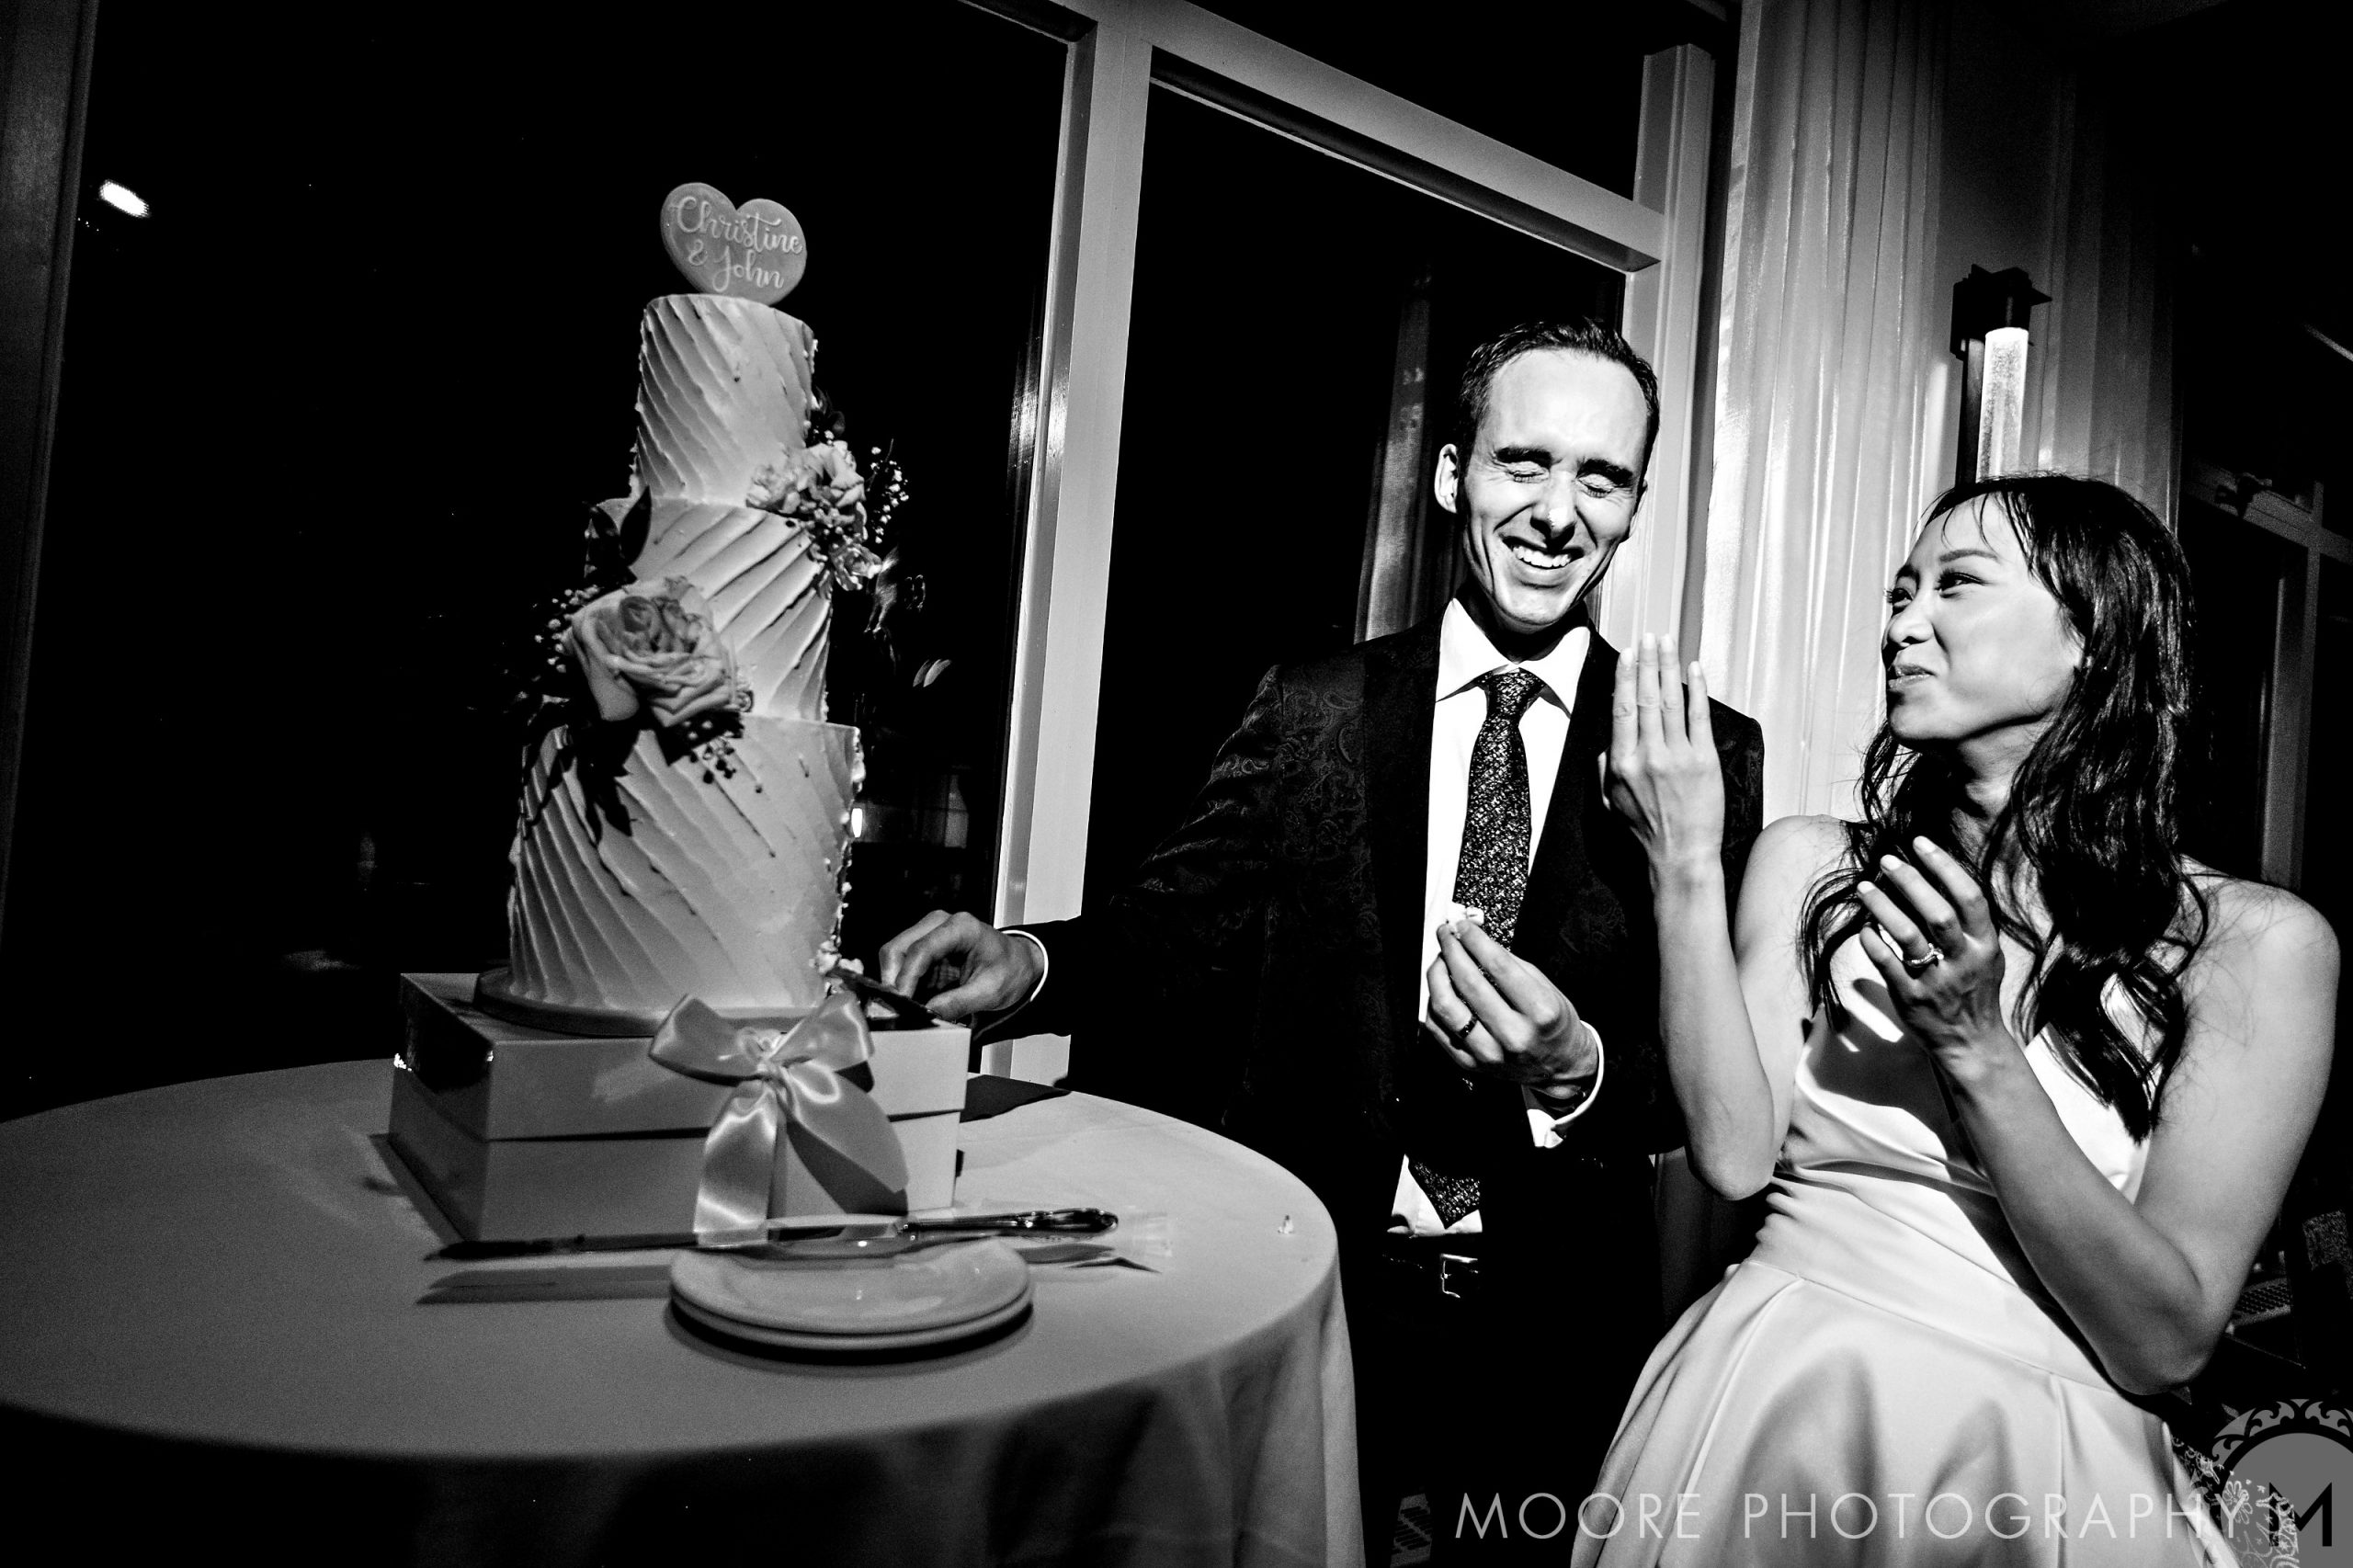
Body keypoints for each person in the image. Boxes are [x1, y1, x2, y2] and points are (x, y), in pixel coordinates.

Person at [881, 320, 1765, 1558]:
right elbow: (1164, 933)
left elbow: (1707, 1084)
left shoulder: (1700, 748)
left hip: (1555, 1332)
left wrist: (1582, 1069)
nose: (1558, 510)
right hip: (1325, 1299)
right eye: (1524, 462)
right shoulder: (1314, 708)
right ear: (1455, 474)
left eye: (1600, 476)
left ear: (1633, 509)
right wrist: (1027, 963)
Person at [1581, 473, 2337, 1564]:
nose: (1902, 621)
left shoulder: (2257, 945)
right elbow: (1734, 1156)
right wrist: (1684, 864)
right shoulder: (1812, 863)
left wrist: (1976, 1042)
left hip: (2029, 1466)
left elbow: (2165, 1341)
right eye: (1899, 591)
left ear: (2091, 637)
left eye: (1956, 587)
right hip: (1776, 1404)